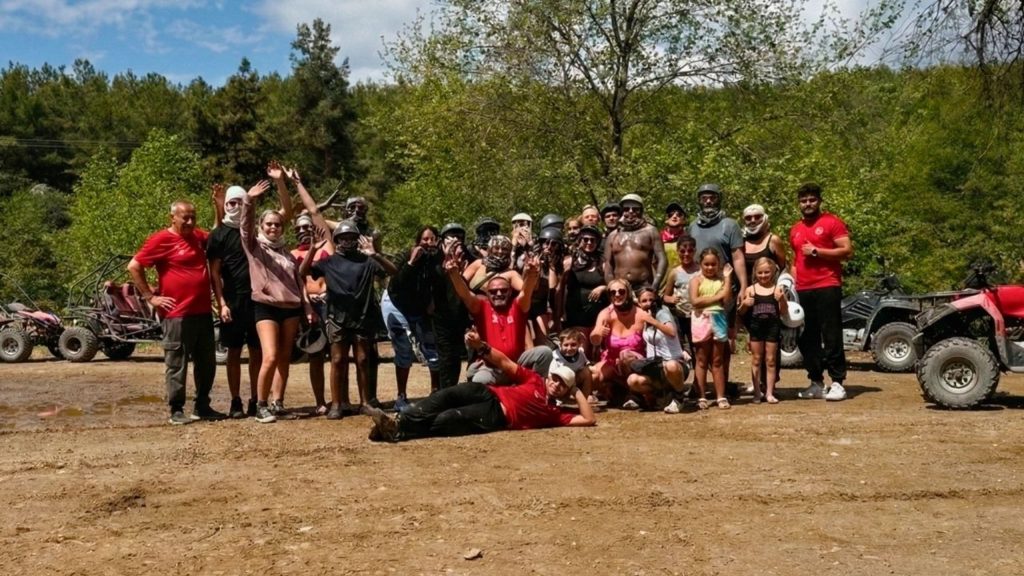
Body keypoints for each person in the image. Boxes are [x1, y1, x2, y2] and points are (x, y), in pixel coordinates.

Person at [363, 328, 596, 442]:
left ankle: (396, 432)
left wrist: (575, 390)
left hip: (496, 415)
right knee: (445, 397)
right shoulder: (534, 379)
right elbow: (504, 363)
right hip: (487, 393)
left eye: (562, 385)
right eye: (555, 378)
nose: (556, 384)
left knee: (448, 419)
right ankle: (399, 421)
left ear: (566, 392)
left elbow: (588, 419)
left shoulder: (554, 413)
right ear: (548, 376)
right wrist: (481, 346)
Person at [128, 200, 223, 425]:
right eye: (185, 218)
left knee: (206, 363)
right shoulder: (162, 239)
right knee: (177, 362)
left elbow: (217, 234)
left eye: (193, 217)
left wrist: (218, 204)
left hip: (202, 312)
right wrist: (150, 297)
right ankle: (176, 409)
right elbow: (134, 265)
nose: (190, 222)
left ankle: (202, 405)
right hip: (177, 314)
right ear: (173, 217)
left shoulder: (198, 236)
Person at [240, 178, 312, 423]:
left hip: (291, 308)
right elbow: (246, 227)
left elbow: (298, 282)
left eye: (278, 225)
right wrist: (250, 200)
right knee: (269, 356)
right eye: (269, 224)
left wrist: (307, 307)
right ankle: (260, 405)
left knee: (284, 357)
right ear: (262, 226)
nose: (273, 228)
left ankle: (277, 402)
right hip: (266, 306)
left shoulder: (287, 253)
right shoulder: (255, 247)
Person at [789, 182, 853, 401]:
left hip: (827, 285)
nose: (807, 204)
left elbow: (846, 250)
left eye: (811, 200)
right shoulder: (795, 229)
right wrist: (792, 285)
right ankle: (816, 381)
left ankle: (837, 382)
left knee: (831, 334)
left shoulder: (831, 222)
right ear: (799, 203)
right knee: (807, 337)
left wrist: (817, 251)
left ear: (819, 201)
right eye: (804, 200)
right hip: (802, 289)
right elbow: (795, 261)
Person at [445, 251, 544, 385]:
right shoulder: (481, 307)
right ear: (487, 293)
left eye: (503, 290)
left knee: (544, 353)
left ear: (510, 292)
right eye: (493, 291)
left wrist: (532, 273)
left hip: (517, 365)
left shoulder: (518, 306)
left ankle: (535, 390)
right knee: (480, 380)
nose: (498, 294)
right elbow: (465, 294)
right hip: (491, 366)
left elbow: (526, 291)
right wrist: (454, 274)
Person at [208, 184, 262, 419]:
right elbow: (214, 273)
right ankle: (235, 400)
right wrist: (222, 304)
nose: (235, 207)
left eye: (240, 202)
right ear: (226, 205)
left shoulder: (254, 232)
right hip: (232, 301)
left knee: (257, 353)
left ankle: (255, 399)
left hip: (258, 301)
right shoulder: (218, 235)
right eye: (231, 203)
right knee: (234, 352)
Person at [688, 183, 747, 387]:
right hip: (700, 288)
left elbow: (738, 257)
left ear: (718, 199)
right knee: (699, 343)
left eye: (712, 197)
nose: (708, 201)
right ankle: (700, 387)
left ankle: (724, 383)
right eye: (704, 197)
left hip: (725, 288)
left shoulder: (729, 225)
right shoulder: (693, 226)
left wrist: (744, 286)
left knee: (723, 342)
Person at [384, 225, 443, 411]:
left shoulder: (438, 259)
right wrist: (411, 262)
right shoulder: (406, 254)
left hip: (421, 307)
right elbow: (398, 282)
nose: (428, 243)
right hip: (397, 303)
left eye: (432, 239)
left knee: (432, 350)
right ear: (418, 241)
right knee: (404, 350)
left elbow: (438, 282)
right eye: (424, 239)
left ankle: (436, 393)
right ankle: (401, 396)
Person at [741, 203, 788, 395]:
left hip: (771, 297)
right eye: (749, 218)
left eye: (757, 216)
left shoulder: (773, 239)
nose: (753, 221)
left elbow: (785, 266)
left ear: (764, 217)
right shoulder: (741, 241)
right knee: (755, 341)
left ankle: (770, 384)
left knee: (772, 341)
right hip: (749, 295)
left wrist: (783, 289)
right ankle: (758, 381)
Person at [290, 213, 333, 416]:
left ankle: (341, 399)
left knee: (337, 354)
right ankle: (320, 401)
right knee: (316, 355)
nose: (302, 232)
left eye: (306, 227)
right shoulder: (292, 254)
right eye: (298, 229)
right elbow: (299, 280)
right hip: (309, 307)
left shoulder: (326, 249)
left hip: (329, 304)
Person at [631, 286, 690, 413]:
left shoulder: (662, 312)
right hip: (656, 366)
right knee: (633, 380)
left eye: (651, 300)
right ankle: (661, 396)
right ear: (639, 303)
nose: (648, 303)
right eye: (644, 301)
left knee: (671, 366)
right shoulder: (645, 316)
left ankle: (679, 398)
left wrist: (653, 321)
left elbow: (672, 332)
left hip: (674, 364)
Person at [738, 257, 788, 404]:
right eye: (760, 273)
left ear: (772, 272)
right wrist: (745, 304)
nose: (763, 276)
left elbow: (784, 312)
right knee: (756, 359)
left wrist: (782, 300)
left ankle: (770, 392)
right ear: (755, 272)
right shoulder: (750, 290)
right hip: (756, 328)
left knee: (771, 360)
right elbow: (741, 312)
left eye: (767, 272)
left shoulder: (777, 289)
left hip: (772, 327)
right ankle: (757, 392)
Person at [590, 278, 647, 405]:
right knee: (592, 375)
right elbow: (594, 339)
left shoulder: (640, 312)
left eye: (621, 291)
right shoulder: (606, 313)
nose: (617, 295)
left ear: (628, 293)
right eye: (613, 292)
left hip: (635, 362)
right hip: (612, 361)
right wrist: (598, 333)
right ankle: (617, 389)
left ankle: (633, 394)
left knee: (625, 355)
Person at [689, 248, 734, 410]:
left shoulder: (722, 280)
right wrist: (717, 297)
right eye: (706, 264)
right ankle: (701, 396)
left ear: (718, 265)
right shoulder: (696, 280)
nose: (710, 267)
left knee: (717, 360)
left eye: (713, 264)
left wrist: (728, 279)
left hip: (719, 318)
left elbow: (727, 300)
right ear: (700, 264)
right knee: (701, 360)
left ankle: (720, 396)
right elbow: (695, 301)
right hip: (701, 320)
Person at [430, 222, 473, 389]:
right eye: (451, 236)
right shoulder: (434, 258)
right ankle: (444, 392)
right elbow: (434, 280)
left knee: (460, 357)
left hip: (463, 315)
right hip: (442, 317)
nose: (455, 240)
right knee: (446, 358)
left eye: (459, 236)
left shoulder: (469, 257)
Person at [558, 225, 608, 358]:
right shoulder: (570, 260)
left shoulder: (603, 261)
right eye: (585, 239)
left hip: (598, 313)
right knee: (582, 351)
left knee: (598, 352)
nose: (589, 243)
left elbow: (614, 283)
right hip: (576, 313)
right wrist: (560, 312)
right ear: (579, 240)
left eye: (593, 240)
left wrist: (603, 287)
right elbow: (561, 288)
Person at [604, 194, 667, 291]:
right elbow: (608, 264)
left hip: (644, 286)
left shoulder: (651, 231)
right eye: (626, 209)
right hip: (620, 288)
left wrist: (656, 284)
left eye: (635, 209)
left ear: (641, 211)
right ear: (622, 211)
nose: (630, 211)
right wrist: (611, 286)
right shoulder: (613, 235)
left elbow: (662, 259)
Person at [662, 235, 700, 356]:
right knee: (682, 346)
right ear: (678, 251)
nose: (686, 254)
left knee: (697, 346)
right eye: (682, 251)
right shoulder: (675, 272)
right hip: (680, 315)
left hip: (698, 315)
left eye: (690, 251)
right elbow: (665, 296)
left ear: (695, 251)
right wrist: (671, 299)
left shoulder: (700, 270)